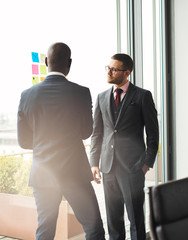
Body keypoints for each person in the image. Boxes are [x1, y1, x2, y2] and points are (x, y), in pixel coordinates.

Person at [17, 42, 105, 240]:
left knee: (45, 231)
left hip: (43, 174)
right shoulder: (81, 92)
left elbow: (23, 142)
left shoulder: (26, 95)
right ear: (69, 63)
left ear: (46, 61)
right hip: (74, 173)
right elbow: (85, 132)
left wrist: (44, 142)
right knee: (94, 229)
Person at [90, 53, 159, 240]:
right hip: (108, 168)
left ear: (126, 73)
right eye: (108, 68)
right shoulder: (102, 97)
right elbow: (97, 133)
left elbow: (153, 134)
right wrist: (94, 163)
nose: (109, 71)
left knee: (136, 220)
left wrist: (146, 165)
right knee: (113, 222)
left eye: (114, 69)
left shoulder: (142, 96)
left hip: (133, 169)